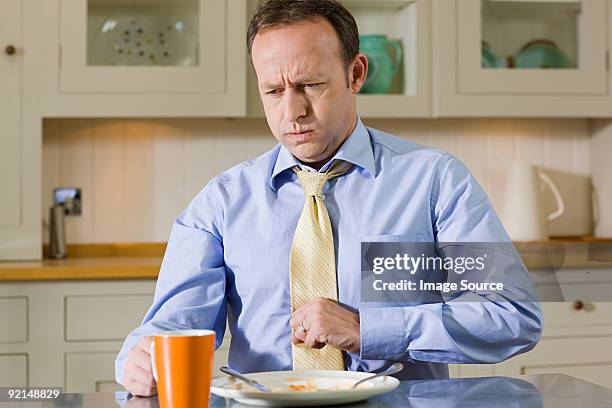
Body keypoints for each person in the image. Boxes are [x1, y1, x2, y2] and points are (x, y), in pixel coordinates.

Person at [115, 0, 542, 397]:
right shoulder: (221, 202)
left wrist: (368, 328)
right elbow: (172, 327)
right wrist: (137, 358)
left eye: (310, 84)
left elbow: (511, 315)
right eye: (273, 91)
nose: (292, 111)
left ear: (355, 74)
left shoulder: (433, 180)